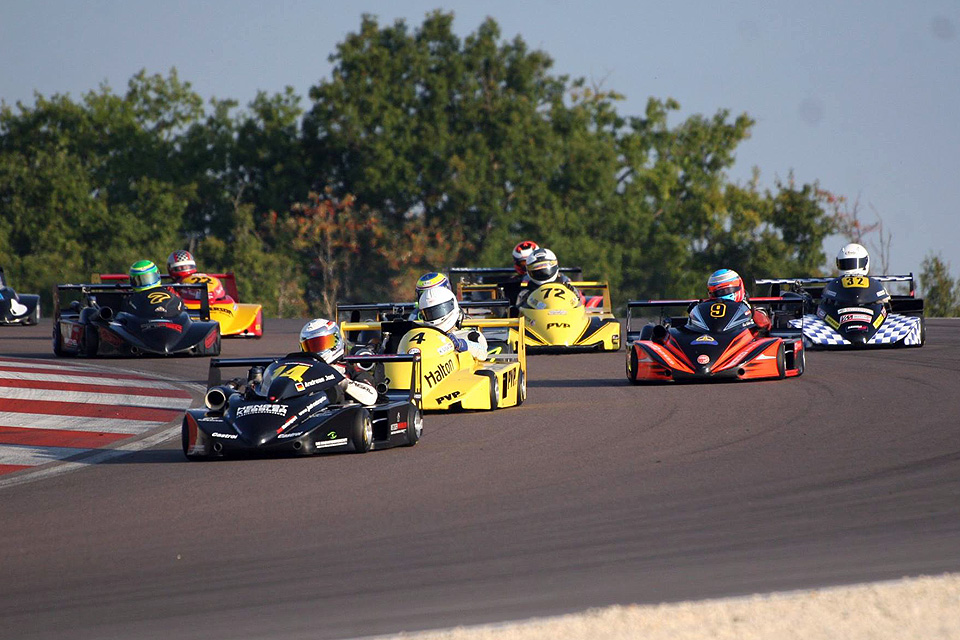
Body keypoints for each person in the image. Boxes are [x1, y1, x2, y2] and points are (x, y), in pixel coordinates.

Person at [299, 318, 378, 405]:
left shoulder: (350, 369)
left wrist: (338, 380)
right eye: (310, 346)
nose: (315, 350)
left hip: (339, 414)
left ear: (336, 342)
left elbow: (371, 396)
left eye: (320, 344)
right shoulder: (302, 370)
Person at [417, 286, 488, 360]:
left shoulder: (470, 335)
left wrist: (462, 344)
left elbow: (483, 352)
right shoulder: (423, 338)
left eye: (440, 310)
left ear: (452, 305)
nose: (435, 315)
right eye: (429, 313)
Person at [705, 268, 771, 334]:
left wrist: (750, 311)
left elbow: (765, 323)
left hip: (744, 340)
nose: (721, 294)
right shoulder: (708, 309)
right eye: (716, 292)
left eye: (726, 290)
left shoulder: (749, 308)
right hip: (716, 339)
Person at [120, 260, 185, 317]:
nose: (146, 281)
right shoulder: (133, 300)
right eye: (140, 279)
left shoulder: (172, 295)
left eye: (148, 277)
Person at [166, 249, 233, 303]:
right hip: (191, 304)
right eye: (181, 267)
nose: (185, 268)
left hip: (219, 302)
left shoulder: (211, 279)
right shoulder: (173, 286)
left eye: (187, 266)